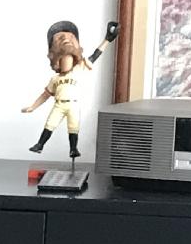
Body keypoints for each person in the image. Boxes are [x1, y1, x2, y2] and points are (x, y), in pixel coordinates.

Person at [23, 19, 119, 159]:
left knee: (73, 127)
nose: (66, 39)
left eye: (71, 37)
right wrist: (32, 107)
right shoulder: (55, 79)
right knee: (50, 124)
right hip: (59, 104)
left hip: (73, 104)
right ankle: (40, 145)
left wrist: (107, 40)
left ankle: (73, 149)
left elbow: (95, 55)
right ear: (57, 61)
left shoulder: (78, 69)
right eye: (63, 59)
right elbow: (45, 95)